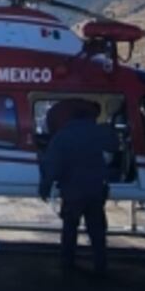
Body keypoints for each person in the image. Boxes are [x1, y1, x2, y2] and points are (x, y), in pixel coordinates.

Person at [38, 99, 119, 276]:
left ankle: (67, 264)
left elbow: (52, 164)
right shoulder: (98, 131)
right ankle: (100, 265)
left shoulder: (63, 136)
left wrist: (45, 187)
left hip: (72, 191)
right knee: (97, 230)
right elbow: (114, 146)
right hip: (95, 189)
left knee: (70, 228)